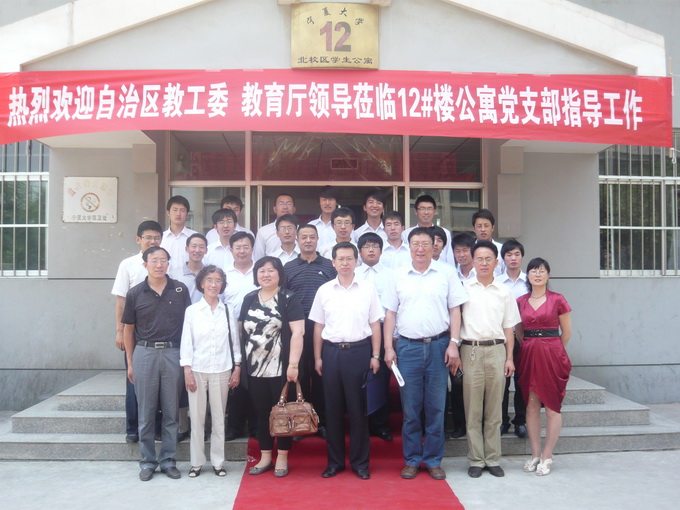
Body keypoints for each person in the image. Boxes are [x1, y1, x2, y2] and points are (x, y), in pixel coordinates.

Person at [383, 227, 468, 481]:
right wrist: (388, 347)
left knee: (436, 408)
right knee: (411, 409)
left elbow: (455, 310)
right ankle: (411, 460)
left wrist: (454, 343)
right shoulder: (397, 275)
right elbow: (390, 314)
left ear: (434, 247)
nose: (420, 248)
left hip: (439, 346)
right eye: (415, 244)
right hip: (407, 348)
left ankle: (432, 460)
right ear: (409, 247)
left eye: (425, 244)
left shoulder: (447, 273)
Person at [310, 242, 384, 480]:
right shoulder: (324, 290)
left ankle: (360, 463)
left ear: (356, 261)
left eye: (349, 259)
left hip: (359, 352)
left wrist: (375, 355)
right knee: (332, 411)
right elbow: (318, 326)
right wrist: (318, 357)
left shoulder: (368, 289)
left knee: (358, 410)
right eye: (340, 259)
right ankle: (335, 462)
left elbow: (375, 324)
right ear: (333, 262)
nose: (345, 263)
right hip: (331, 353)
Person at [122, 246, 192, 481]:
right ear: (145, 265)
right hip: (145, 353)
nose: (159, 264)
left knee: (171, 411)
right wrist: (130, 362)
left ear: (168, 264)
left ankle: (169, 460)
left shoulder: (180, 290)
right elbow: (128, 329)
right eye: (154, 260)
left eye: (163, 260)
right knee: (146, 412)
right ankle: (148, 461)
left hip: (173, 353)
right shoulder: (135, 293)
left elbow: (189, 326)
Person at [459, 240, 521, 479]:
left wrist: (509, 358)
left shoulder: (505, 291)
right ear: (472, 262)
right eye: (479, 259)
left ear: (496, 262)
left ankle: (493, 459)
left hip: (497, 350)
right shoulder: (463, 288)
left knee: (495, 409)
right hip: (471, 351)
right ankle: (476, 459)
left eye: (488, 259)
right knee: (473, 409)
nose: (484, 263)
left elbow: (509, 328)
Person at [240, 256, 305, 478]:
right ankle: (266, 456)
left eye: (271, 270)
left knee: (282, 413)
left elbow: (298, 332)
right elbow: (242, 331)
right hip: (255, 368)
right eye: (261, 270)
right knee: (261, 413)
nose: (266, 274)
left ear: (279, 274)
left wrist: (293, 364)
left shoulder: (288, 298)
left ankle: (283, 457)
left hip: (281, 367)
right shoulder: (249, 298)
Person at [180, 265, 241, 478]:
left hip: (222, 369)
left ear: (222, 285)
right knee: (197, 418)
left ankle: (218, 462)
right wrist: (187, 370)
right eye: (209, 280)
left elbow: (235, 342)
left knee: (218, 418)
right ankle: (196, 463)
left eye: (218, 280)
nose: (213, 284)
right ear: (201, 284)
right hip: (197, 369)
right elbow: (187, 342)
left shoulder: (228, 311)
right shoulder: (192, 311)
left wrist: (237, 367)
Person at [515, 258, 572, 477]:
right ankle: (535, 454)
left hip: (552, 355)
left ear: (548, 275)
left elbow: (567, 332)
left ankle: (548, 455)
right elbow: (519, 332)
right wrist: (531, 346)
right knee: (531, 405)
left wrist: (553, 350)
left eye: (541, 271)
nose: (537, 274)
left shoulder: (558, 299)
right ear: (527, 276)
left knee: (552, 406)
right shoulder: (520, 301)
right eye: (533, 271)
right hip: (529, 354)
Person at [111, 220, 163, 444]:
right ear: (138, 239)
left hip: (159, 332)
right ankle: (133, 428)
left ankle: (157, 428)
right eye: (148, 237)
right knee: (133, 380)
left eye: (156, 237)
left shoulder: (163, 262)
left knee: (159, 384)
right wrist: (120, 331)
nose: (152, 241)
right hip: (134, 332)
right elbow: (121, 301)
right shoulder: (128, 264)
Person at [284, 224, 337, 439]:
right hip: (296, 328)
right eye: (304, 237)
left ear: (317, 240)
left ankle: (321, 421)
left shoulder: (329, 266)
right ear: (297, 240)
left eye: (312, 237)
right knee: (300, 375)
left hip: (323, 327)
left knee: (321, 374)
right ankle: (301, 421)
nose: (308, 240)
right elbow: (284, 298)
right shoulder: (288, 267)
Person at [355, 233, 395, 441]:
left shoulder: (391, 275)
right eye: (366, 246)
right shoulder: (353, 273)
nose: (371, 250)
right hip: (358, 334)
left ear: (381, 250)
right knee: (357, 379)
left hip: (382, 330)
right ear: (359, 251)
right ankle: (359, 423)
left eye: (375, 246)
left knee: (380, 379)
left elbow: (394, 308)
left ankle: (379, 424)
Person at [223, 231, 258, 442]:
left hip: (258, 333)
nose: (242, 251)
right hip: (231, 332)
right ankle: (234, 426)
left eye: (246, 247)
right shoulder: (224, 274)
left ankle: (255, 425)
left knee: (255, 379)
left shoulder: (261, 271)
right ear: (231, 250)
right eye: (238, 247)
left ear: (252, 249)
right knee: (234, 380)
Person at [498, 239, 529, 438]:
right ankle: (502, 421)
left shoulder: (530, 281)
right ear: (503, 258)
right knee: (502, 382)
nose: (513, 258)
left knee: (521, 381)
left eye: (517, 254)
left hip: (525, 338)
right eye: (509, 254)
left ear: (522, 257)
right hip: (502, 337)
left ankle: (520, 421)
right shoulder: (497, 282)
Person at [403, 195, 454, 264]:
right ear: (416, 211)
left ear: (434, 211)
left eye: (429, 208)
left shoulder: (444, 232)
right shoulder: (406, 234)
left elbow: (450, 257)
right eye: (422, 208)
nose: (426, 212)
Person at [161, 196, 197, 275]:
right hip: (164, 280)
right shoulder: (161, 238)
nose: (178, 214)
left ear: (187, 214)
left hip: (189, 280)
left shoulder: (195, 237)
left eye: (182, 210)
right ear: (168, 213)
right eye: (175, 210)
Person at [253, 193, 296, 260]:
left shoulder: (302, 231)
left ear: (294, 209)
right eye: (281, 204)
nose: (285, 207)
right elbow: (258, 258)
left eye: (289, 204)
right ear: (274, 209)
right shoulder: (263, 231)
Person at [171, 233, 209, 304]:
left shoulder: (209, 274)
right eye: (194, 246)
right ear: (187, 249)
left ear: (206, 250)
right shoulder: (174, 275)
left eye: (201, 247)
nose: (197, 250)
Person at [472, 209, 505, 276]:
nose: (483, 229)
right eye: (479, 226)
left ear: (492, 228)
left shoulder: (502, 249)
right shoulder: (468, 250)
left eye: (486, 226)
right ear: (474, 229)